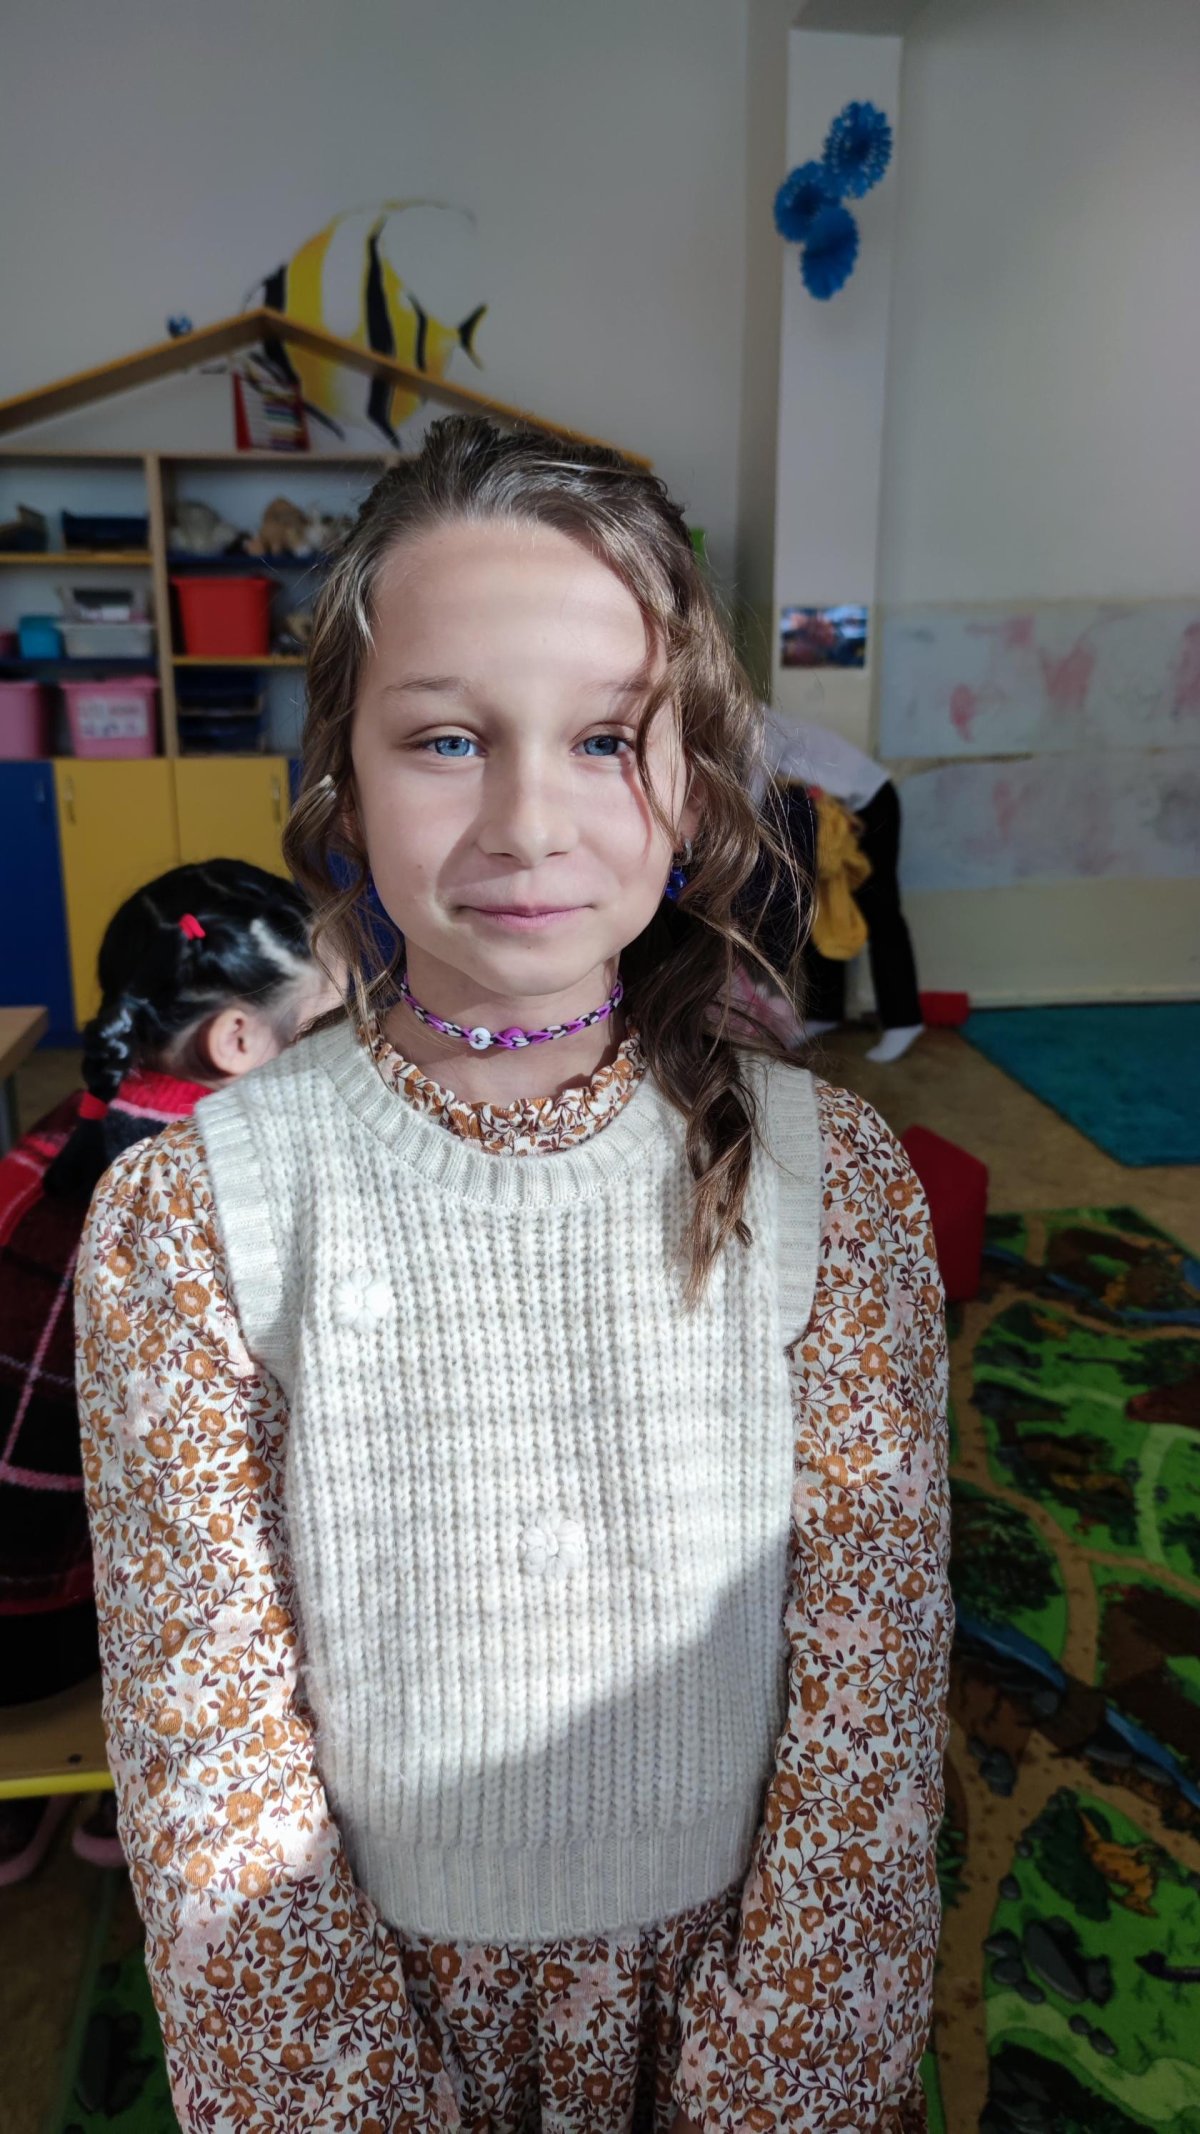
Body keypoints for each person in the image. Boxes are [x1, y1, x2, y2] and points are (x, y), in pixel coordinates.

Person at [75, 419, 951, 2134]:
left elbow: (871, 1717)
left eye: (609, 737)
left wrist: (774, 2087)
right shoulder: (196, 1221)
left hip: (746, 2009)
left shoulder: (833, 1184)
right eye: (449, 738)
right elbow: (214, 1772)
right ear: (342, 774)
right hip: (375, 2024)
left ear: (694, 776)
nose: (530, 820)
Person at [0, 859, 340, 1887]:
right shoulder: (208, 1193)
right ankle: (144, 1774)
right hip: (46, 1634)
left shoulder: (62, 1130)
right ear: (237, 1042)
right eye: (326, 1028)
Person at [762, 708, 925, 1063]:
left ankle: (904, 1020)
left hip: (869, 803)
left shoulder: (752, 726)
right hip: (822, 810)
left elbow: (751, 792)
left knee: (880, 908)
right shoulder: (741, 725)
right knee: (819, 903)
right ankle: (825, 1012)